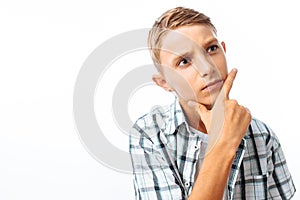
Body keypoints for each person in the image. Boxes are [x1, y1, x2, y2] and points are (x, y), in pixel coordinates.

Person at [129, 6, 296, 200]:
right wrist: (223, 143)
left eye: (211, 49)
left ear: (224, 50)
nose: (207, 68)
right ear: (165, 82)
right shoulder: (150, 135)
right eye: (184, 61)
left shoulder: (263, 136)